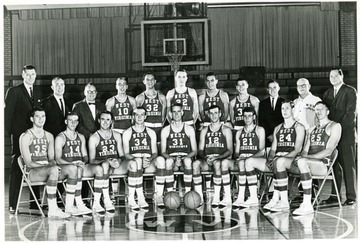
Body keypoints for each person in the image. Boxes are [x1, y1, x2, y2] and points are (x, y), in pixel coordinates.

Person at [238, 101, 305, 210]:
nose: (284, 111)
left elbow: (297, 150)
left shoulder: (299, 127)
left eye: (287, 108)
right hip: (276, 159)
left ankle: (282, 200)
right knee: (249, 161)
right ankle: (254, 197)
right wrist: (270, 158)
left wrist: (279, 159)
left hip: (290, 161)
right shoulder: (278, 128)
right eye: (282, 109)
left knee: (279, 162)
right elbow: (273, 148)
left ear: (293, 110)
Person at [286, 102, 341, 215]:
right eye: (316, 109)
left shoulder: (334, 126)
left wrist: (307, 158)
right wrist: (302, 156)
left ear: (328, 112)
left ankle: (307, 204)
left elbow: (329, 150)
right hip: (309, 163)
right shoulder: (311, 130)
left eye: (321, 109)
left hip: (323, 165)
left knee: (302, 161)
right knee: (282, 162)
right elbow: (305, 150)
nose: (318, 112)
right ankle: (281, 200)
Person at [19, 106, 71, 218]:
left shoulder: (49, 136)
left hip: (48, 170)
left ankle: (70, 206)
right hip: (32, 172)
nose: (41, 119)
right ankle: (53, 209)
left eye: (43, 116)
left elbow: (52, 159)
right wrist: (49, 167)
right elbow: (28, 163)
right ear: (32, 119)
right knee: (53, 170)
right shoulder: (26, 136)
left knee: (73, 169)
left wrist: (52, 165)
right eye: (37, 116)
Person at [5, 65, 42, 213]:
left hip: (35, 135)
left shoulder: (38, 91)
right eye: (28, 74)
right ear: (23, 75)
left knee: (36, 162)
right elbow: (7, 117)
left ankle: (34, 202)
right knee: (16, 168)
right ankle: (13, 204)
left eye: (33, 74)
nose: (31, 77)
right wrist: (13, 135)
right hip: (19, 136)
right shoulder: (14, 91)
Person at [55, 111, 102, 216]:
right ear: (66, 121)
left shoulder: (80, 137)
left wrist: (83, 161)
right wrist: (73, 163)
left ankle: (97, 203)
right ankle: (76, 203)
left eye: (75, 121)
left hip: (79, 166)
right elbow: (58, 159)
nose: (73, 123)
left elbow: (85, 156)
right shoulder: (60, 137)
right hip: (65, 168)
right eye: (70, 120)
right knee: (76, 169)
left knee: (99, 169)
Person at [322, 68, 357, 206]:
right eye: (331, 76)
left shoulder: (350, 91)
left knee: (348, 165)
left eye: (336, 75)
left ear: (341, 76)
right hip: (332, 136)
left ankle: (351, 196)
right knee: (334, 166)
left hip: (346, 134)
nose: (333, 78)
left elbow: (351, 114)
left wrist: (337, 129)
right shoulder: (327, 93)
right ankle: (334, 195)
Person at [122, 107, 165, 209]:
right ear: (133, 117)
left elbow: (155, 152)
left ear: (145, 116)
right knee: (136, 162)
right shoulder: (127, 132)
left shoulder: (151, 132)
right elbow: (126, 153)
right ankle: (135, 198)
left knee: (161, 160)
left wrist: (149, 160)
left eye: (142, 115)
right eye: (137, 115)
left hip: (147, 162)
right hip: (133, 162)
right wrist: (138, 160)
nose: (140, 117)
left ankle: (158, 195)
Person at [193, 105, 233, 207]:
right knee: (195, 164)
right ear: (208, 115)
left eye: (216, 113)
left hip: (220, 160)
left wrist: (217, 157)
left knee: (217, 164)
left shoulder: (226, 129)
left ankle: (216, 196)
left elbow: (230, 150)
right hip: (208, 159)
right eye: (211, 113)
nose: (214, 115)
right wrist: (206, 157)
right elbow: (200, 150)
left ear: (220, 114)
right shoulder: (204, 130)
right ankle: (199, 197)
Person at [226, 107, 266, 207]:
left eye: (249, 116)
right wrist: (238, 157)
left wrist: (248, 158)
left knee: (246, 162)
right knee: (240, 162)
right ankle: (240, 196)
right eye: (245, 116)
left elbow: (262, 151)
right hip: (242, 161)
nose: (247, 118)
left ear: (254, 117)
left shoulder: (259, 129)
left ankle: (249, 196)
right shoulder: (239, 132)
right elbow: (236, 153)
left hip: (255, 160)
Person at [88, 111, 125, 213]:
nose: (105, 122)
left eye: (108, 119)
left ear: (112, 121)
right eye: (103, 119)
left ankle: (134, 198)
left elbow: (122, 155)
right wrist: (106, 160)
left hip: (114, 165)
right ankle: (103, 200)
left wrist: (119, 160)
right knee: (104, 165)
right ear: (99, 121)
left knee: (133, 164)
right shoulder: (94, 137)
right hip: (100, 166)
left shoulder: (117, 135)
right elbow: (91, 160)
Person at [160, 103, 197, 199]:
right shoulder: (165, 130)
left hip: (185, 159)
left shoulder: (189, 129)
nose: (176, 114)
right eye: (174, 112)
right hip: (172, 159)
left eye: (178, 111)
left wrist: (186, 157)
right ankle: (170, 194)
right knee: (167, 162)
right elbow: (163, 152)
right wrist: (172, 158)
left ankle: (188, 194)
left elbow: (195, 151)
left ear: (182, 112)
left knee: (188, 161)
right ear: (170, 113)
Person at [135, 73, 167, 144]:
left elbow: (164, 115)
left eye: (152, 79)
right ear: (144, 81)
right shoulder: (139, 98)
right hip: (146, 127)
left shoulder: (162, 97)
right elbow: (136, 115)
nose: (150, 81)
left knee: (159, 150)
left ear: (155, 81)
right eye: (147, 80)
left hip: (159, 127)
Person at [258, 80, 285, 147]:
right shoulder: (262, 103)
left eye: (274, 87)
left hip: (281, 135)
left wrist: (277, 135)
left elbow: (286, 120)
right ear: (267, 89)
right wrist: (269, 135)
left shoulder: (285, 102)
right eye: (270, 88)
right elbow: (261, 121)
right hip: (268, 137)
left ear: (279, 88)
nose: (272, 90)